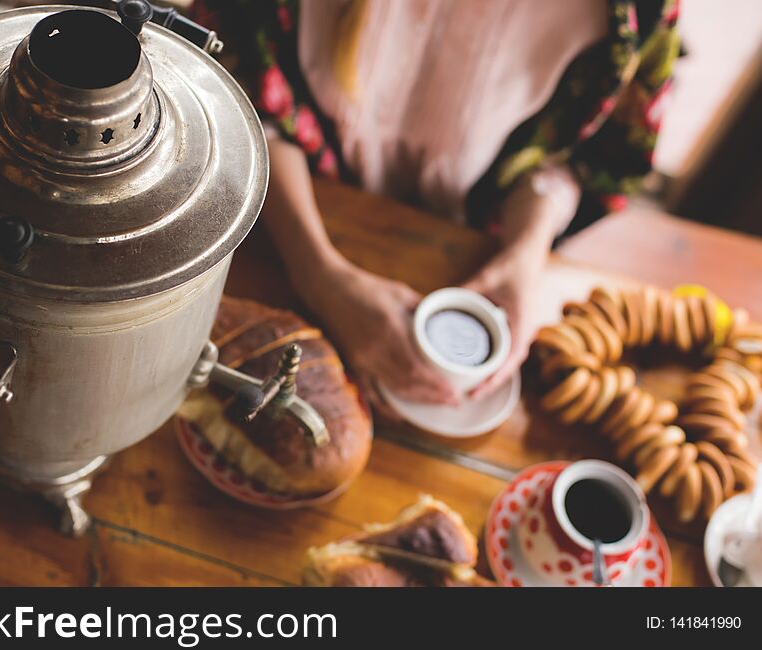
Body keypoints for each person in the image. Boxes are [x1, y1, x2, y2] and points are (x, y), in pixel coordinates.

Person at [191, 0, 680, 415]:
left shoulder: (636, 13)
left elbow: (593, 160)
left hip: (465, 251)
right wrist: (316, 270)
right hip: (261, 236)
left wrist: (528, 253)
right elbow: (222, 79)